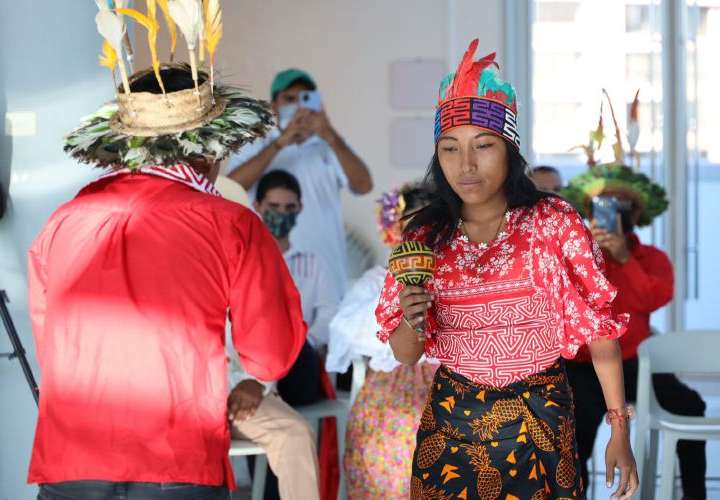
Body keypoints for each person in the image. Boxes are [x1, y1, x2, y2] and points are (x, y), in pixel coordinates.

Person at [29, 10, 316, 499]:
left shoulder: (63, 220)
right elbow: (268, 352)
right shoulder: (230, 222)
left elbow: (48, 334)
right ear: (208, 146)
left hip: (70, 460)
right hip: (174, 460)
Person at [375, 39, 639, 499]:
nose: (467, 165)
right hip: (452, 428)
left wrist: (619, 429)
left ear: (510, 149)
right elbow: (405, 354)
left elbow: (600, 333)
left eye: (484, 145)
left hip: (540, 421)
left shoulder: (552, 223)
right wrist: (413, 312)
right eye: (450, 148)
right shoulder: (424, 236)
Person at [562, 127, 706, 497]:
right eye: (601, 207)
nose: (611, 215)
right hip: (584, 364)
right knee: (573, 427)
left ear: (634, 214)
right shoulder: (573, 255)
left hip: (636, 362)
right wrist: (587, 251)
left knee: (691, 405)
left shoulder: (651, 259)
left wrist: (625, 258)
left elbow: (655, 298)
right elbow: (567, 304)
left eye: (619, 208)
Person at [325, 183, 437, 498]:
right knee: (400, 426)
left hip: (453, 378)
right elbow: (346, 330)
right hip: (393, 380)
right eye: (413, 223)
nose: (422, 232)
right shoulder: (377, 279)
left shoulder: (458, 275)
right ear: (396, 228)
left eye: (431, 223)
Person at [232, 169, 339, 500]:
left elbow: (329, 316)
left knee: (289, 342)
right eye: (273, 207)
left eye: (288, 208)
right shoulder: (241, 261)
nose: (280, 215)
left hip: (298, 362)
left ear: (299, 209)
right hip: (249, 367)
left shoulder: (311, 262)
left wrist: (293, 339)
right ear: (257, 205)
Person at [227, 68, 373, 298]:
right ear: (273, 105)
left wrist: (329, 133)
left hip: (326, 279)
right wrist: (280, 143)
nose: (298, 106)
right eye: (289, 99)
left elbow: (364, 186)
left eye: (306, 98)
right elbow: (231, 189)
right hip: (271, 274)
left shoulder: (329, 145)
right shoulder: (256, 144)